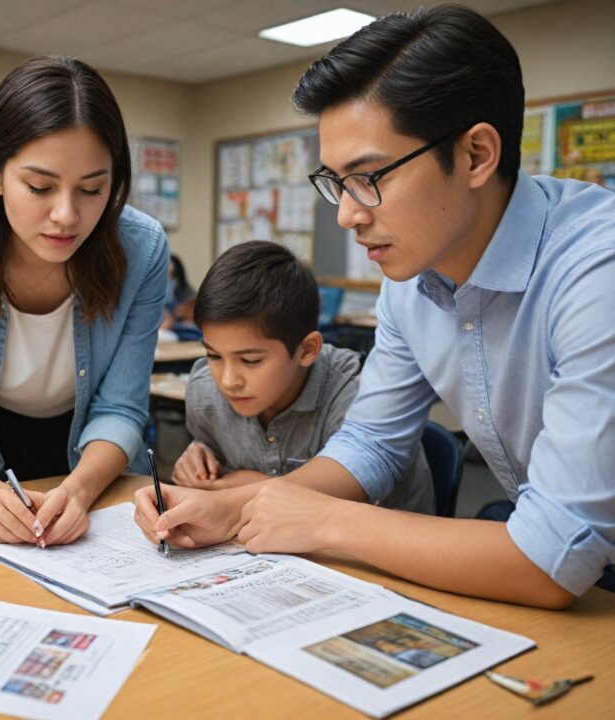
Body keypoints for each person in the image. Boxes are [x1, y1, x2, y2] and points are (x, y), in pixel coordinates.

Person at [135, 4, 615, 608]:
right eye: (336, 182)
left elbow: (551, 561)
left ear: (475, 155)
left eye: (369, 177)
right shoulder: (411, 281)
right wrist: (228, 506)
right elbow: (371, 444)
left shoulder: (597, 273)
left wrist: (324, 522)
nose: (347, 214)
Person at [0, 56, 168, 549]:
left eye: (92, 188)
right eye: (39, 187)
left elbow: (122, 407)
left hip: (94, 473)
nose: (66, 215)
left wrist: (79, 490)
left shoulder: (142, 248)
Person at [167, 241, 433, 516]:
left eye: (251, 361)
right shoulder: (204, 393)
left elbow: (355, 512)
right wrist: (199, 457)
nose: (228, 380)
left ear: (307, 350)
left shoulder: (358, 398)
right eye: (214, 356)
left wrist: (240, 486)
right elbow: (214, 465)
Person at [160, 254, 200, 341]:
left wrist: (182, 314)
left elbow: (195, 316)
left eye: (172, 275)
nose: (168, 280)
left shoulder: (189, 294)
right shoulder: (158, 296)